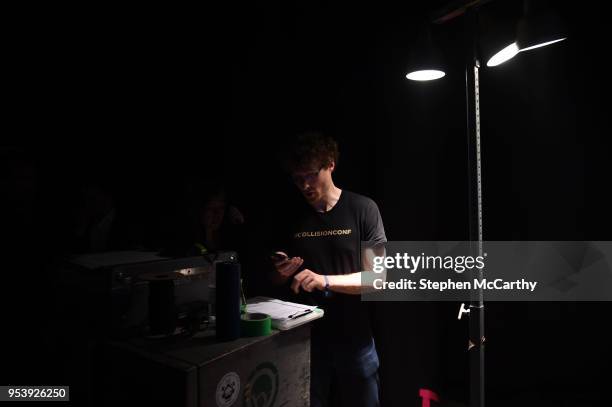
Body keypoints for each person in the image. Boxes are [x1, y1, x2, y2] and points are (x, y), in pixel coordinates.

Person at [270, 131, 386, 407]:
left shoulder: (362, 209)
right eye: (297, 178)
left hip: (355, 341)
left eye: (310, 175)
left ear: (330, 164)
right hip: (304, 343)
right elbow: (272, 280)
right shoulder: (289, 215)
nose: (305, 185)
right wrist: (280, 272)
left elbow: (378, 278)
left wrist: (323, 280)